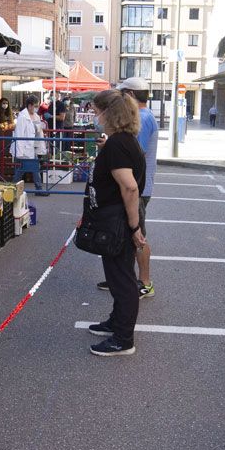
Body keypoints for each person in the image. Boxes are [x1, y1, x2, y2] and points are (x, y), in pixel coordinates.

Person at [85, 89, 148, 357]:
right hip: (116, 220)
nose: (96, 116)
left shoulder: (118, 144)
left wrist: (134, 228)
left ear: (111, 114)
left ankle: (123, 339)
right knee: (118, 276)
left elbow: (130, 188)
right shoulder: (122, 141)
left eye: (99, 111)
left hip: (119, 223)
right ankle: (116, 323)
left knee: (122, 279)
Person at [97, 77, 157, 299]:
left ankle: (144, 282)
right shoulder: (144, 116)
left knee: (137, 235)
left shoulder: (142, 118)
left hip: (139, 189)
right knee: (128, 236)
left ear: (130, 96)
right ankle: (125, 277)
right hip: (140, 186)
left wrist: (109, 146)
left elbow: (130, 156)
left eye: (121, 96)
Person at [12, 94, 48, 195]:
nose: (36, 108)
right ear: (30, 105)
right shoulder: (23, 117)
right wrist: (20, 151)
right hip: (25, 147)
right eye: (35, 106)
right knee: (21, 169)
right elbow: (19, 134)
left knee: (33, 167)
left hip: (34, 145)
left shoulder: (36, 116)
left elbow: (37, 129)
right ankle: (13, 188)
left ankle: (38, 188)